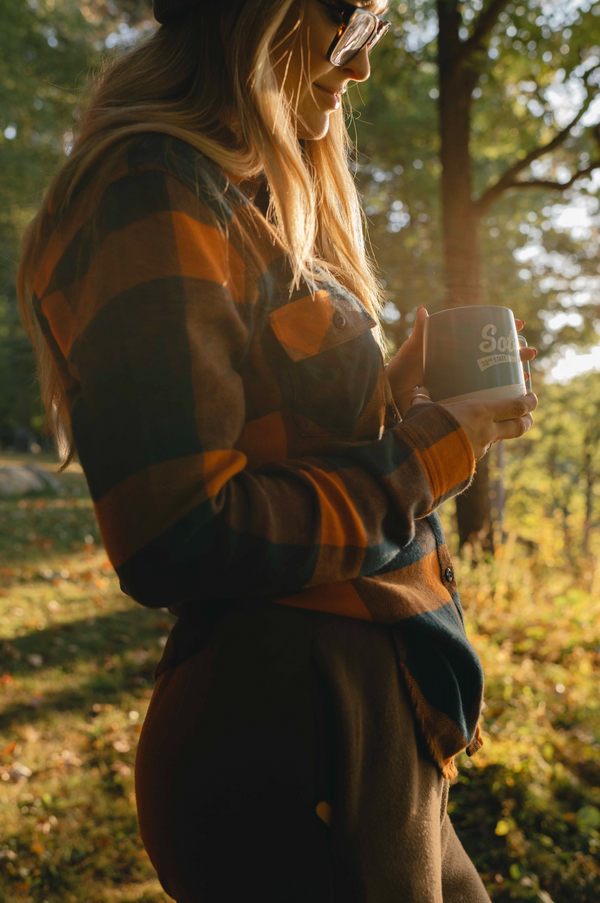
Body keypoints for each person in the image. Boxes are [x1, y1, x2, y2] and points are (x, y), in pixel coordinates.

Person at [18, 1, 537, 900]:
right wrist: (424, 453)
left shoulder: (249, 196)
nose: (362, 65)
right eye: (351, 23)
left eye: (376, 31)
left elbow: (287, 448)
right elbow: (177, 531)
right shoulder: (150, 186)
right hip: (294, 729)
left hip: (375, 719)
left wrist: (393, 400)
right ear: (257, 14)